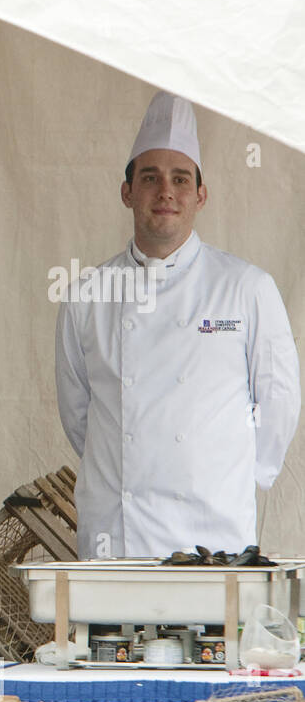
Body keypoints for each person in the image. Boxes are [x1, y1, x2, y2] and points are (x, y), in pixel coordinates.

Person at [56, 92, 300, 558]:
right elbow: (79, 414)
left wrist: (228, 474)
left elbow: (280, 400)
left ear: (200, 195)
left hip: (215, 535)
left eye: (180, 179)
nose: (165, 191)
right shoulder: (86, 295)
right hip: (117, 537)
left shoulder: (247, 288)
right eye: (150, 177)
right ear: (127, 191)